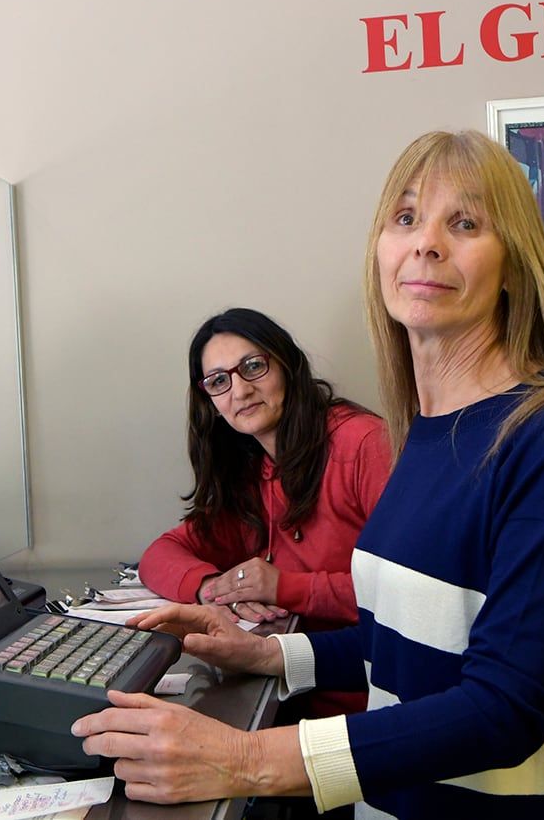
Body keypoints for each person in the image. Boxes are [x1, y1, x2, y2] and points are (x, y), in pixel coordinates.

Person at [72, 130, 544, 819]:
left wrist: (246, 758)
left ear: (516, 266)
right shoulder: (426, 436)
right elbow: (402, 644)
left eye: (463, 223)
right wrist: (267, 657)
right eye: (405, 218)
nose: (425, 243)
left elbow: (503, 709)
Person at [138, 307, 392, 717]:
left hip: (371, 702)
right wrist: (211, 589)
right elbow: (161, 552)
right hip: (287, 690)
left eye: (253, 367)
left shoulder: (363, 444)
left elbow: (408, 596)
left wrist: (284, 587)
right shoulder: (249, 469)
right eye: (219, 381)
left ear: (288, 365)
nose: (239, 391)